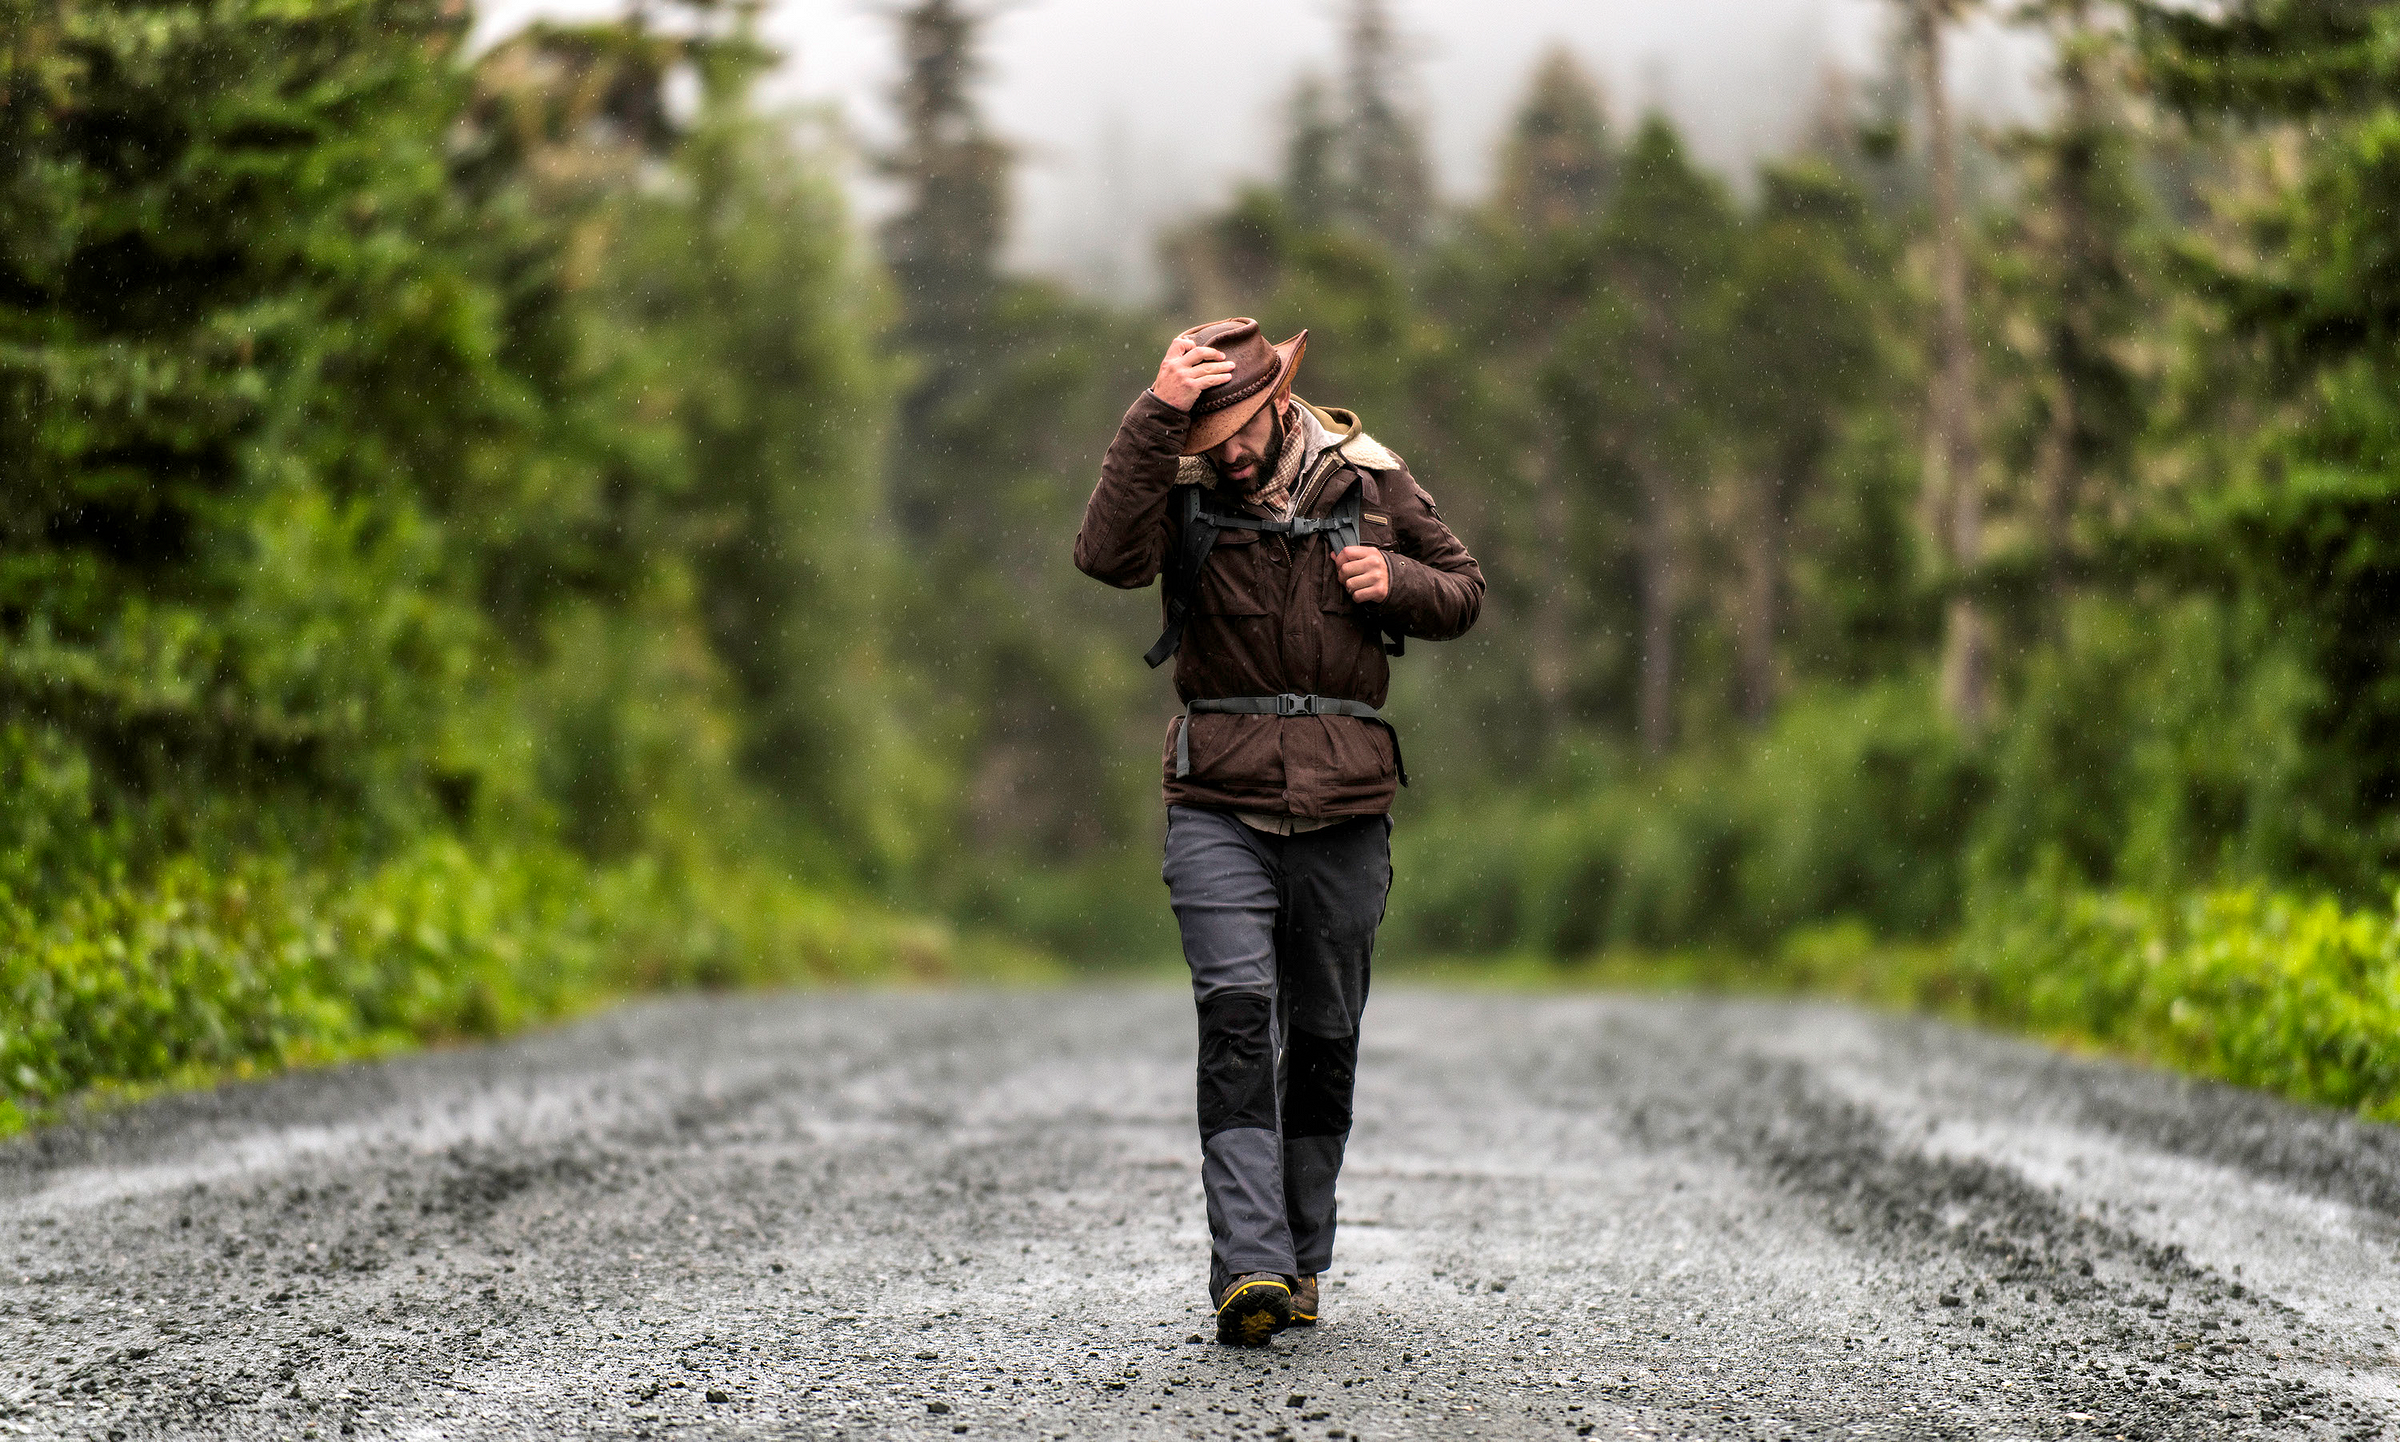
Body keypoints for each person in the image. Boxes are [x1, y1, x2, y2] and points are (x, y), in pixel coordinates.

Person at [1074, 317, 1485, 1345]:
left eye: (1239, 425)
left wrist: (1401, 585)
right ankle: (1248, 1263)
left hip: (1348, 807)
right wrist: (1154, 410)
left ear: (1280, 398)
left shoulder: (1372, 476)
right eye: (1206, 433)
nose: (1229, 449)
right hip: (1216, 800)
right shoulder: (1175, 486)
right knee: (1237, 1015)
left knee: (1327, 1040)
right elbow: (1101, 556)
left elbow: (1466, 592)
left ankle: (1303, 1256)